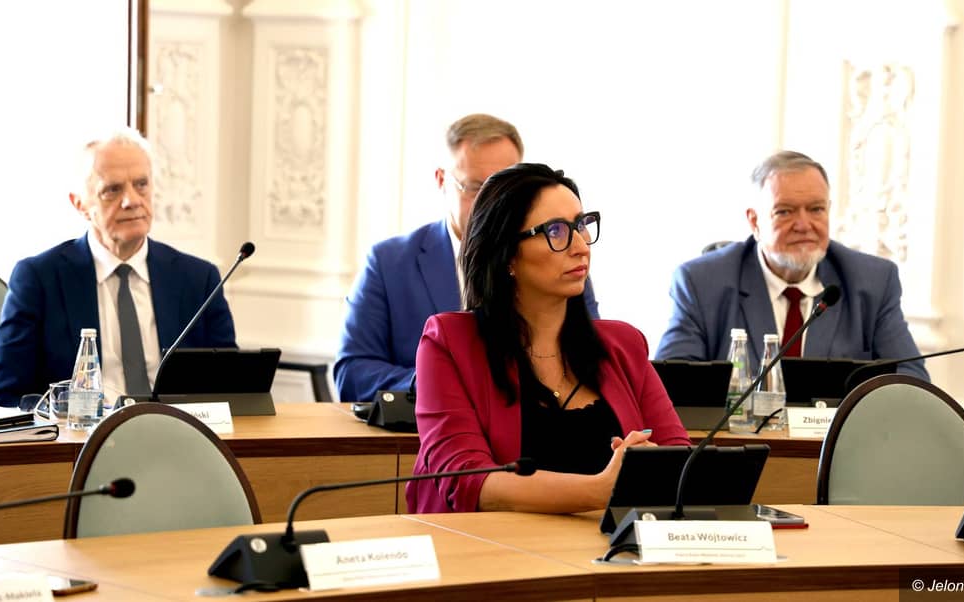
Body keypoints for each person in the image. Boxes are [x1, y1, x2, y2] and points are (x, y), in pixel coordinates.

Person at [406, 164, 689, 514]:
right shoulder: (449, 342)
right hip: (494, 544)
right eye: (556, 231)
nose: (581, 246)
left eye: (581, 225)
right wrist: (601, 489)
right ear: (507, 254)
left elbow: (680, 456)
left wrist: (654, 465)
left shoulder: (624, 344)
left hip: (608, 544)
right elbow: (467, 480)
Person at [334, 114, 600, 403]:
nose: (492, 204)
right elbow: (352, 374)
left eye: (505, 190)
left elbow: (591, 359)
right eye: (475, 188)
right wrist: (439, 381)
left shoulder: (558, 262)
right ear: (441, 180)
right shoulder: (389, 263)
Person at [0, 127, 236, 407]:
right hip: (81, 434)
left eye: (141, 184)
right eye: (113, 190)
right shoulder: (40, 279)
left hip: (177, 431)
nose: (132, 201)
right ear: (80, 204)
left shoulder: (198, 280)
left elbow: (236, 392)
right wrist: (65, 414)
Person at [655, 150, 929, 380]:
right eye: (785, 211)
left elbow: (910, 379)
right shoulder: (701, 282)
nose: (803, 225)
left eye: (816, 209)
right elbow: (673, 384)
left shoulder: (872, 281)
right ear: (755, 221)